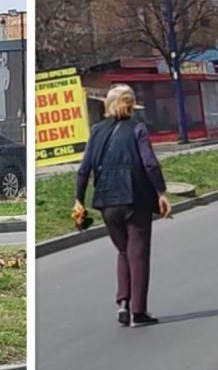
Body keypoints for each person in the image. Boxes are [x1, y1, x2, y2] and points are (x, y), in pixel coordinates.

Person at [73, 84, 173, 328]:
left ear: (108, 104)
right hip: (134, 200)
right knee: (138, 254)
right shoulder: (137, 129)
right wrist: (161, 192)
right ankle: (138, 311)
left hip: (106, 201)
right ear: (131, 105)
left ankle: (123, 304)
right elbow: (149, 164)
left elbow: (84, 168)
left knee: (122, 251)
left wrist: (79, 199)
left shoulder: (96, 131)